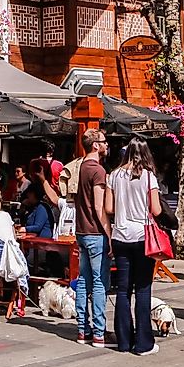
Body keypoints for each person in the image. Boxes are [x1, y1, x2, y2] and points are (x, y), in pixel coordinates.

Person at [105, 137, 163, 356]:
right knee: (143, 289)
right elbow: (156, 210)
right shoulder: (148, 177)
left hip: (120, 236)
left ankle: (123, 341)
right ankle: (143, 343)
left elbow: (109, 208)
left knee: (122, 290)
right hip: (141, 237)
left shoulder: (114, 176)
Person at [73, 128, 110, 348]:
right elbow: (99, 206)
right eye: (104, 141)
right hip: (96, 232)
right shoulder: (98, 170)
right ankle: (98, 332)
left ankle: (82, 329)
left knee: (83, 280)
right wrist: (109, 232)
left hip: (81, 231)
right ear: (95, 145)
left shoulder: (81, 167)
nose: (107, 145)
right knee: (98, 283)